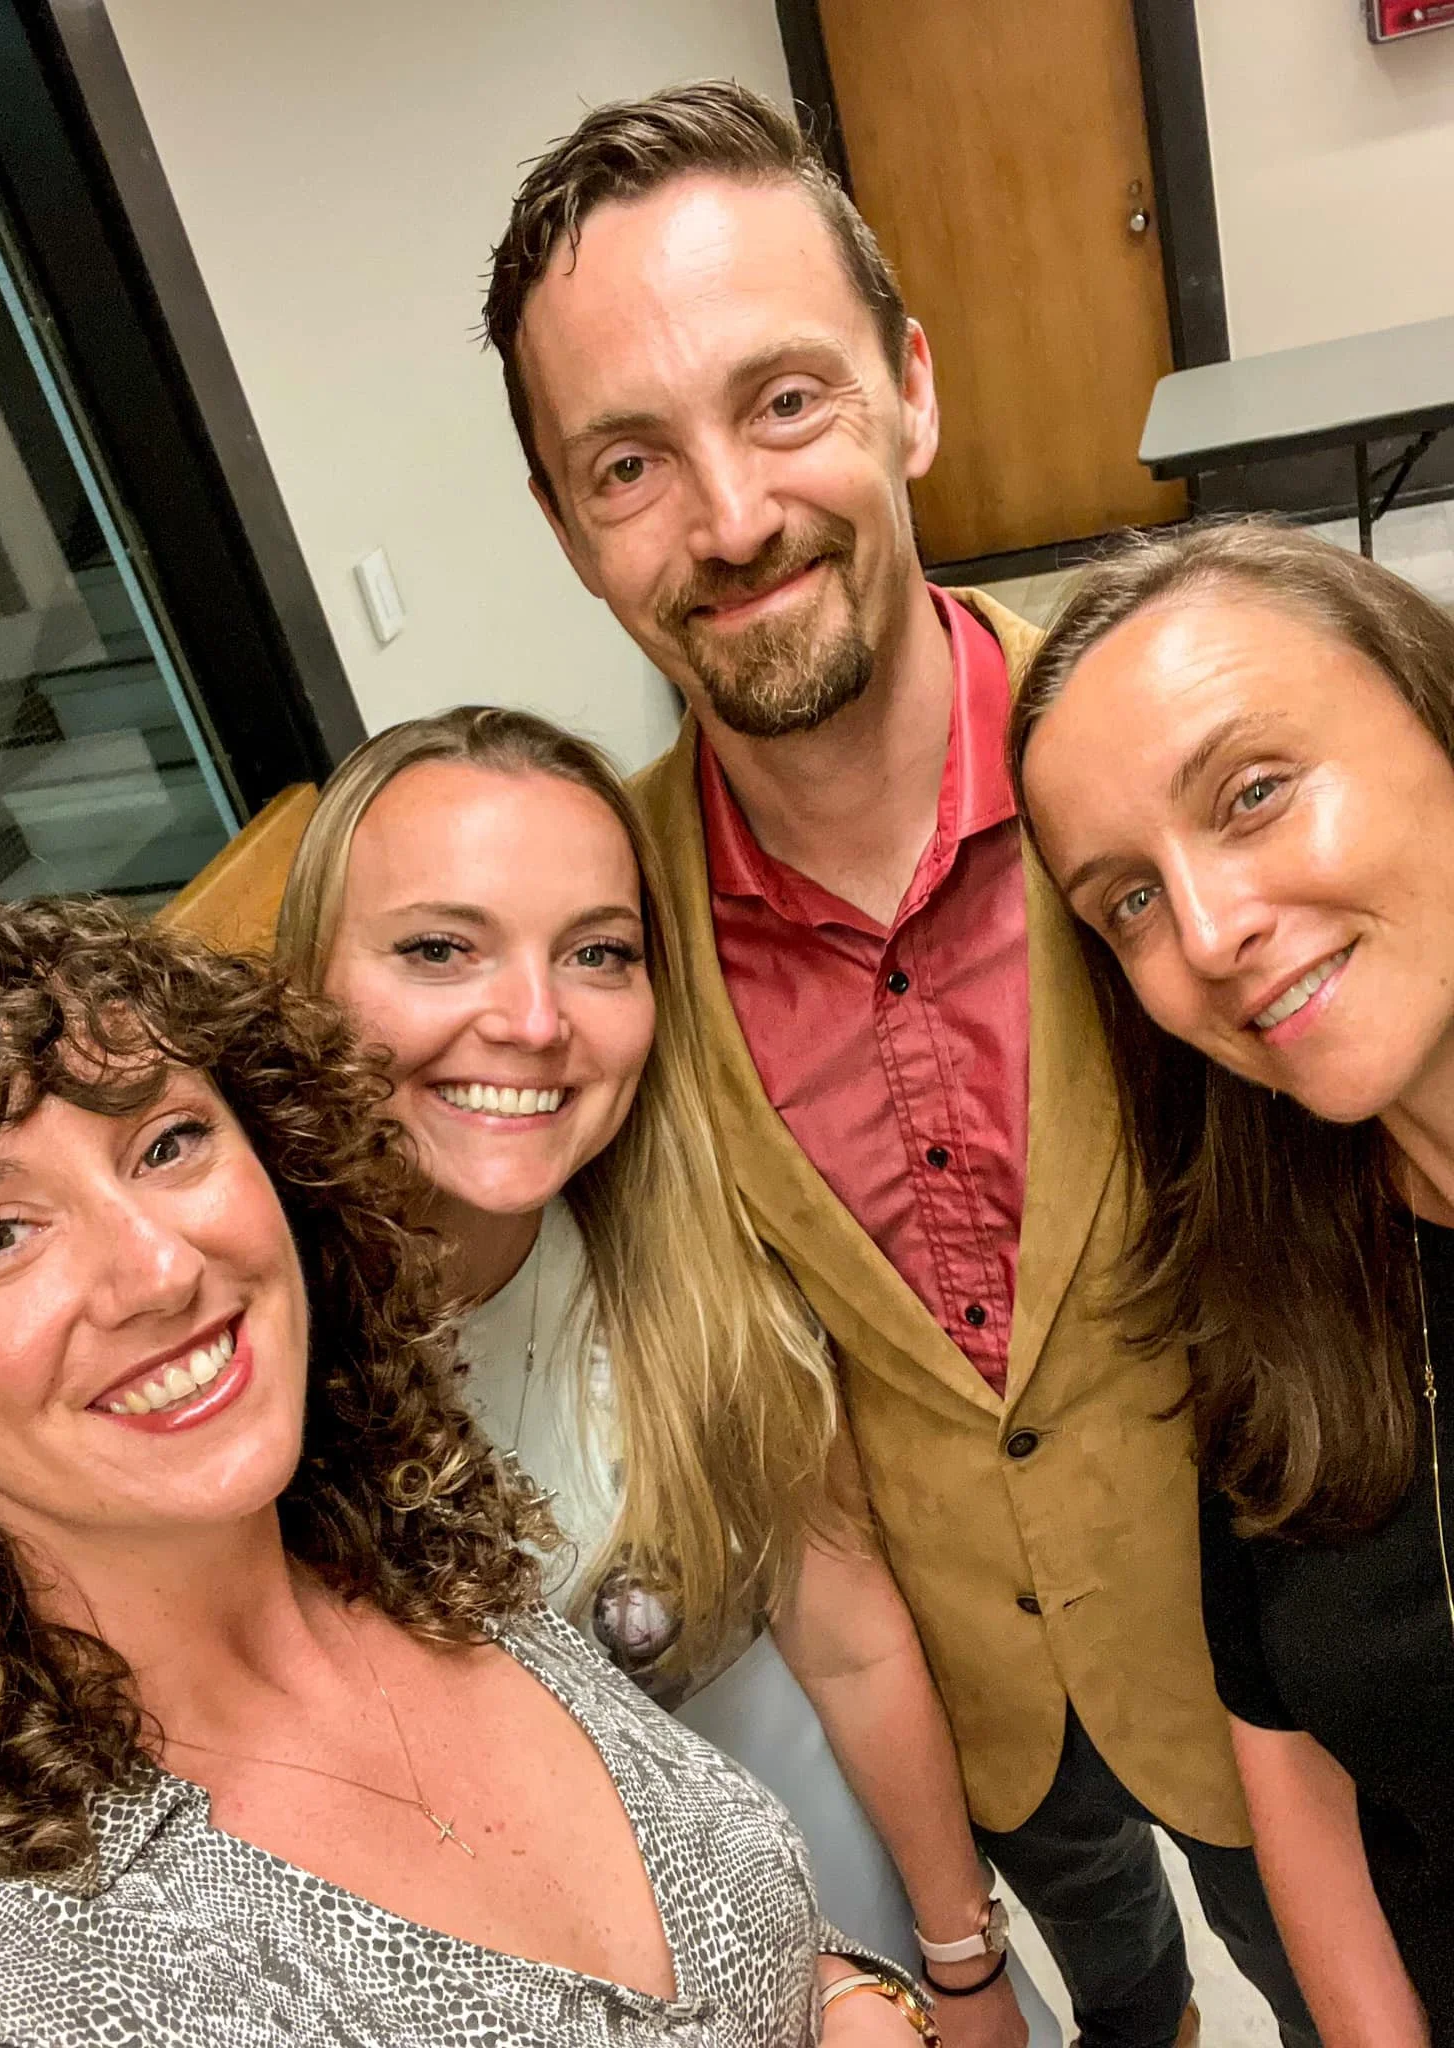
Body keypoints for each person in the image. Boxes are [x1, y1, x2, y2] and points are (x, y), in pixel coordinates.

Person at [480, 78, 1321, 2048]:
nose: (735, 516)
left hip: (1293, 1644)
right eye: (628, 461)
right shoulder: (604, 947)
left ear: (909, 390)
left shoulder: (1172, 761)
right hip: (980, 1725)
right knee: (1127, 2002)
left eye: (787, 400)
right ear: (564, 522)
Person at [0, 893, 931, 2047]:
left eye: (167, 1142)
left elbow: (715, 1956)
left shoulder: (422, 1546)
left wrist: (857, 1994)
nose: (156, 1266)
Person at [275, 704, 1059, 2048]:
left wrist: (961, 1958)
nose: (531, 1022)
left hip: (815, 1848)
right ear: (304, 985)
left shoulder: (688, 1258)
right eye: (438, 949)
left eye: (597, 954)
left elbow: (849, 1631)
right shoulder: (248, 1365)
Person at [1009, 517, 1454, 2045]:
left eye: (1254, 793)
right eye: (1127, 899)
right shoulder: (1275, 1303)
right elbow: (1302, 1782)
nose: (1207, 934)